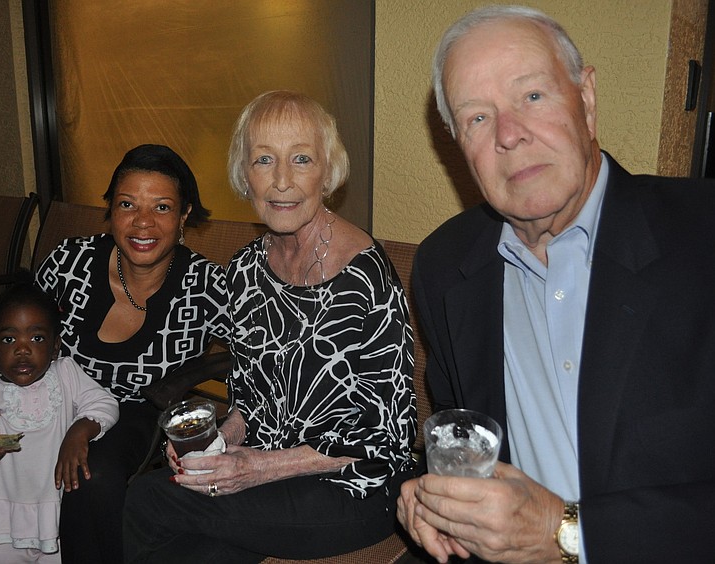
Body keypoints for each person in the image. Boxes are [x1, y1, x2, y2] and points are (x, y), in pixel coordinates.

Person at [398, 5, 715, 563]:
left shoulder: (702, 236)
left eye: (532, 96)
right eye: (478, 118)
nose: (509, 135)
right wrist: (434, 500)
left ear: (586, 99)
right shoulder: (444, 266)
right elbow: (462, 436)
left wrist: (566, 532)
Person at [123, 90, 417, 562]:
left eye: (301, 159)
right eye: (264, 160)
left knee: (149, 498)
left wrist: (258, 468)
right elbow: (252, 401)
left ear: (328, 172)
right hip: (268, 475)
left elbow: (386, 438)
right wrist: (217, 443)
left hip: (352, 486)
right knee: (190, 546)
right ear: (245, 175)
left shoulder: (364, 277)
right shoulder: (245, 269)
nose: (282, 180)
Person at [0, 144, 231, 564]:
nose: (142, 222)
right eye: (127, 204)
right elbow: (20, 324)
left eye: (161, 207)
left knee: (90, 476)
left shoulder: (205, 285)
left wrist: (231, 428)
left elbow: (252, 358)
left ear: (184, 215)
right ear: (111, 209)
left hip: (136, 407)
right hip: (44, 392)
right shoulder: (71, 260)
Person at [0, 283, 119, 563]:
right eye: (8, 339)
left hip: (56, 518)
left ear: (55, 346)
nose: (23, 350)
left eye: (37, 338)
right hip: (1, 525)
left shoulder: (66, 375)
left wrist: (79, 431)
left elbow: (105, 403)